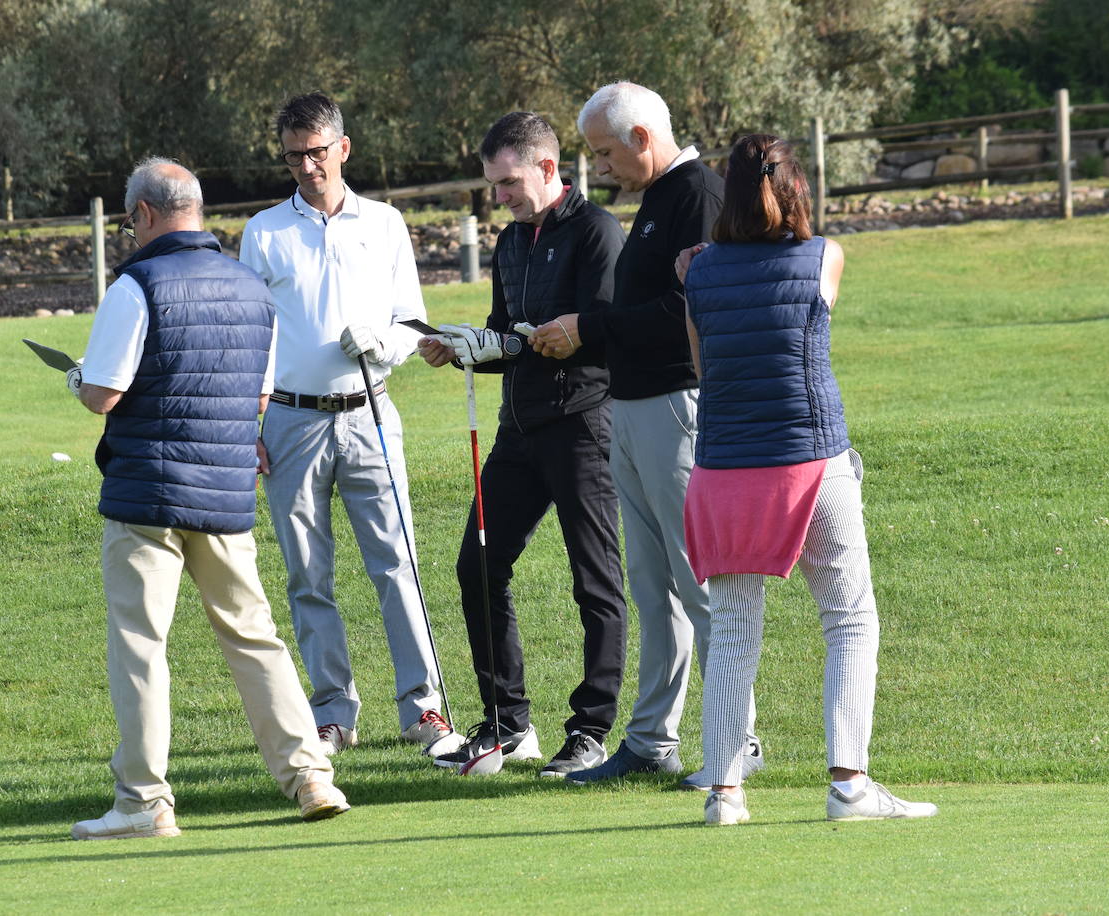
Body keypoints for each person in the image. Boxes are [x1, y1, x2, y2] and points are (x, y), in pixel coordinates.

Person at [65, 158, 348, 839]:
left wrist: (76, 378)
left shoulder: (137, 284)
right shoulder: (253, 288)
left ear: (143, 215)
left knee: (141, 645)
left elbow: (104, 393)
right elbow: (257, 395)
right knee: (255, 636)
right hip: (224, 491)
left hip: (147, 496)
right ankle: (310, 774)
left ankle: (143, 801)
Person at [677, 134, 939, 826]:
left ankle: (725, 795)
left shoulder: (696, 274)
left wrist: (694, 272)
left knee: (733, 634)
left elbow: (705, 372)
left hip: (725, 473)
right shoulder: (826, 256)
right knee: (850, 620)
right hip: (812, 463)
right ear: (796, 189)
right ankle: (849, 786)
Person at [556, 82, 762, 787]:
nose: (601, 167)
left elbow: (686, 307)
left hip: (677, 407)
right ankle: (651, 740)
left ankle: (739, 740)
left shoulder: (696, 193)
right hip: (634, 405)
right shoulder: (658, 199)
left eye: (605, 152)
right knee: (652, 585)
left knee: (699, 579)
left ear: (642, 137)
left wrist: (589, 328)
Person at [239, 92, 456, 758]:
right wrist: (247, 422)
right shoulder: (265, 231)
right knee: (308, 576)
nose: (307, 166)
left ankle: (425, 709)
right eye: (294, 155)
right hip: (291, 422)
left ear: (344, 148)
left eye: (317, 151)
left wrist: (383, 343)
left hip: (370, 413)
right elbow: (252, 337)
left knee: (399, 563)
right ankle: (332, 711)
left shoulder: (385, 224)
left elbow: (410, 322)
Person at [417, 112, 628, 777]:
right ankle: (509, 723)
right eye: (492, 184)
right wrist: (461, 350)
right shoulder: (510, 243)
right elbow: (504, 336)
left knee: (594, 580)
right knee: (476, 566)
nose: (499, 196)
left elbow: (607, 327)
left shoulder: (597, 231)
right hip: (520, 431)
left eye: (507, 181)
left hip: (584, 426)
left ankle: (590, 730)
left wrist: (572, 332)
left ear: (545, 167)